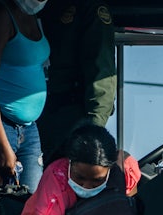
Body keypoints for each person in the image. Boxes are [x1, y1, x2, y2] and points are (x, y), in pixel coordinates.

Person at [0, 0, 51, 193]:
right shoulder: (2, 17)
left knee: (31, 203)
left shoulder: (33, 15)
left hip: (29, 130)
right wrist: (1, 144)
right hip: (1, 126)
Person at [37, 1, 117, 159]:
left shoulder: (89, 9)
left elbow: (101, 71)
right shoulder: (35, 6)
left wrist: (93, 131)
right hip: (35, 115)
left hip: (70, 118)